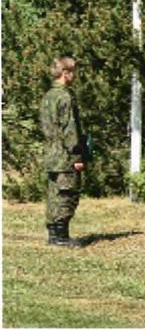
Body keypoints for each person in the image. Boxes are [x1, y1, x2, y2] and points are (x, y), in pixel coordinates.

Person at [40, 57, 85, 247]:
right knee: (67, 194)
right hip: (65, 155)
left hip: (51, 153)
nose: (74, 76)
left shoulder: (48, 96)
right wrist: (77, 156)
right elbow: (70, 129)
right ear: (66, 73)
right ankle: (61, 236)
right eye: (72, 72)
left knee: (54, 194)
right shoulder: (65, 97)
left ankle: (54, 234)